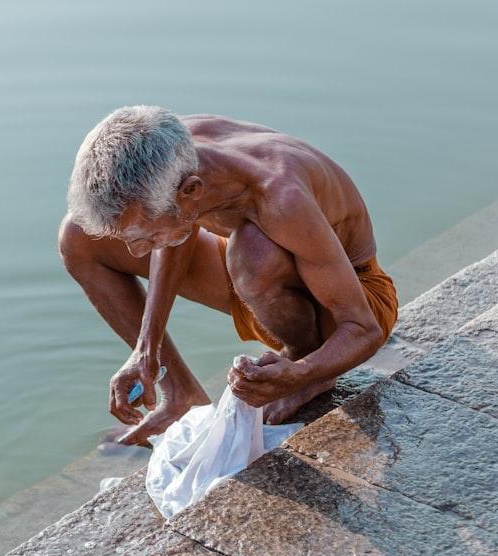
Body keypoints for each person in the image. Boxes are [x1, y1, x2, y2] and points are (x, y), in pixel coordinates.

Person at [58, 106, 398, 446]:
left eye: (145, 238)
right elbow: (180, 224)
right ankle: (180, 395)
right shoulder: (176, 153)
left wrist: (303, 373)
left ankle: (306, 364)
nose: (137, 253)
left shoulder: (281, 197)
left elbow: (362, 329)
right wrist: (146, 350)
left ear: (190, 191)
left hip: (348, 303)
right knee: (78, 237)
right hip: (255, 279)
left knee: (253, 249)